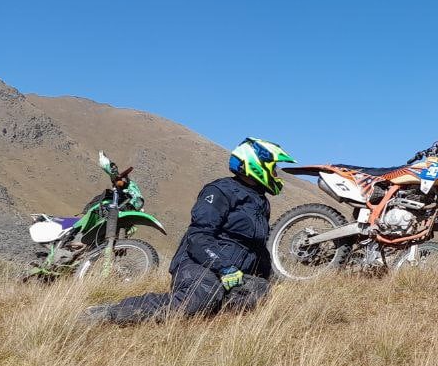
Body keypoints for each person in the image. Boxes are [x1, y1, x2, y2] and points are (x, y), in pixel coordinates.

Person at [80, 138, 294, 325]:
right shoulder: (220, 191)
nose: (276, 174)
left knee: (258, 294)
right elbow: (198, 236)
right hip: (198, 264)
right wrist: (223, 267)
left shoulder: (260, 202)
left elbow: (257, 248)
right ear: (256, 164)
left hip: (234, 273)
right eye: (273, 168)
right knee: (200, 298)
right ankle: (111, 312)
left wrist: (272, 279)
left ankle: (210, 313)